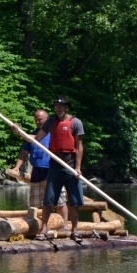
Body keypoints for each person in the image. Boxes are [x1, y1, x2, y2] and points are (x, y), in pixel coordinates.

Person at [33, 96, 85, 243]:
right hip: (55, 165)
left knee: (74, 200)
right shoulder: (50, 122)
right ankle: (43, 230)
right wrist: (18, 131)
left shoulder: (76, 123)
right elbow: (35, 138)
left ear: (66, 107)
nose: (58, 109)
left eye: (61, 107)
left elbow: (79, 146)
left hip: (70, 165)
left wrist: (78, 167)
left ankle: (74, 231)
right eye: (56, 107)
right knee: (48, 200)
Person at [11, 109, 69, 232]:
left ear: (47, 119)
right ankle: (41, 226)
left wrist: (19, 132)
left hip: (53, 170)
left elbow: (33, 138)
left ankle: (65, 225)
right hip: (37, 172)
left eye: (40, 119)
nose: (38, 122)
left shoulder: (53, 133)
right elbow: (24, 153)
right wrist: (17, 167)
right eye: (36, 119)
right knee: (36, 202)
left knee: (59, 201)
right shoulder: (32, 135)